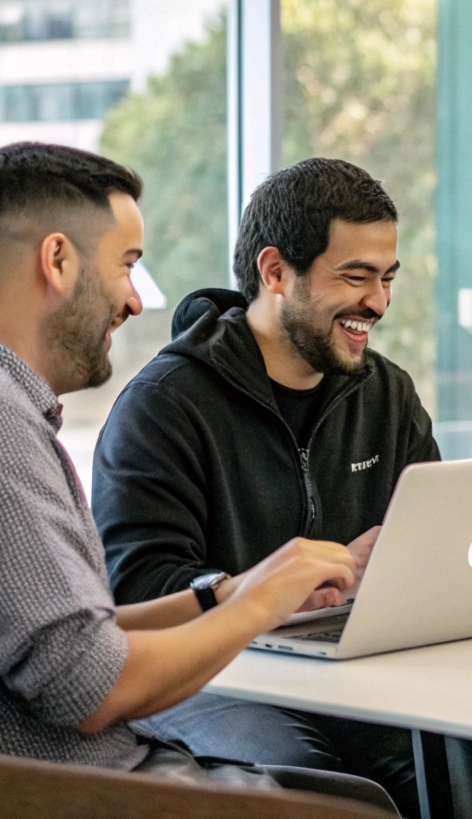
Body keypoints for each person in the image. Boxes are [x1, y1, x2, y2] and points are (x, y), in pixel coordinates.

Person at [0, 142, 388, 803]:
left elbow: (75, 636)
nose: (133, 300)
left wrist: (236, 593)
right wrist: (261, 603)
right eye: (126, 265)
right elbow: (89, 689)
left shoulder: (22, 416)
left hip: (104, 767)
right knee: (357, 805)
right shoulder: (11, 430)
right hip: (76, 790)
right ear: (58, 261)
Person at [91, 157, 440, 817]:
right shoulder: (165, 405)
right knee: (306, 778)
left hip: (353, 662)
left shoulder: (386, 393)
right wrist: (272, 589)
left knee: (454, 761)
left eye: (388, 278)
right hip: (213, 677)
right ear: (275, 272)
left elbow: (435, 538)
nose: (380, 302)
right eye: (356, 277)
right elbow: (134, 592)